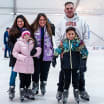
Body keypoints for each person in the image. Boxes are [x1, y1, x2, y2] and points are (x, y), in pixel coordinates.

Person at [54, 1, 90, 101]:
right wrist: (60, 49)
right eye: (67, 8)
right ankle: (60, 90)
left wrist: (83, 47)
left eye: (71, 8)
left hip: (78, 51)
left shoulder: (81, 20)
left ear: (74, 9)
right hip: (65, 52)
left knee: (80, 72)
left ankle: (81, 90)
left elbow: (86, 34)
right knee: (64, 72)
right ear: (65, 10)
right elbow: (57, 37)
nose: (69, 10)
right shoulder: (60, 22)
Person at [52, 27, 88, 104]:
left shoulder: (78, 42)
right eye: (69, 34)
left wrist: (84, 63)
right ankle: (65, 93)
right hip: (66, 66)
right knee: (66, 80)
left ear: (75, 34)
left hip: (76, 66)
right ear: (66, 34)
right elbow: (58, 49)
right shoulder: (64, 42)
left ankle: (76, 92)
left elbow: (85, 51)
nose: (71, 35)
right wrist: (54, 57)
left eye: (72, 34)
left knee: (76, 81)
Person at [12, 29, 41, 102]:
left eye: (27, 34)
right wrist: (22, 57)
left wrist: (36, 51)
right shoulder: (19, 43)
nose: (26, 36)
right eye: (25, 34)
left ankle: (28, 92)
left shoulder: (32, 42)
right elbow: (14, 52)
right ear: (22, 35)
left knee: (28, 79)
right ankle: (22, 93)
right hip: (21, 63)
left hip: (29, 64)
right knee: (22, 79)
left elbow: (39, 49)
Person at [8, 15, 32, 100]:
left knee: (25, 74)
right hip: (15, 56)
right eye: (18, 21)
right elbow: (9, 43)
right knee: (13, 74)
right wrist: (16, 49)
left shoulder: (28, 31)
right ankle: (11, 88)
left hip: (25, 57)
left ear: (24, 22)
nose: (20, 23)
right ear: (16, 22)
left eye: (21, 21)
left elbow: (31, 42)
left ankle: (25, 89)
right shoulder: (12, 31)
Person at [31, 13, 54, 95]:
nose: (42, 21)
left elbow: (54, 39)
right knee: (35, 72)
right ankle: (35, 86)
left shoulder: (49, 28)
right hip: (36, 55)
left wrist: (54, 55)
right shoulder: (33, 28)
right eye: (40, 20)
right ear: (37, 20)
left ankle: (43, 85)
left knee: (45, 71)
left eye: (44, 20)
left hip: (47, 54)